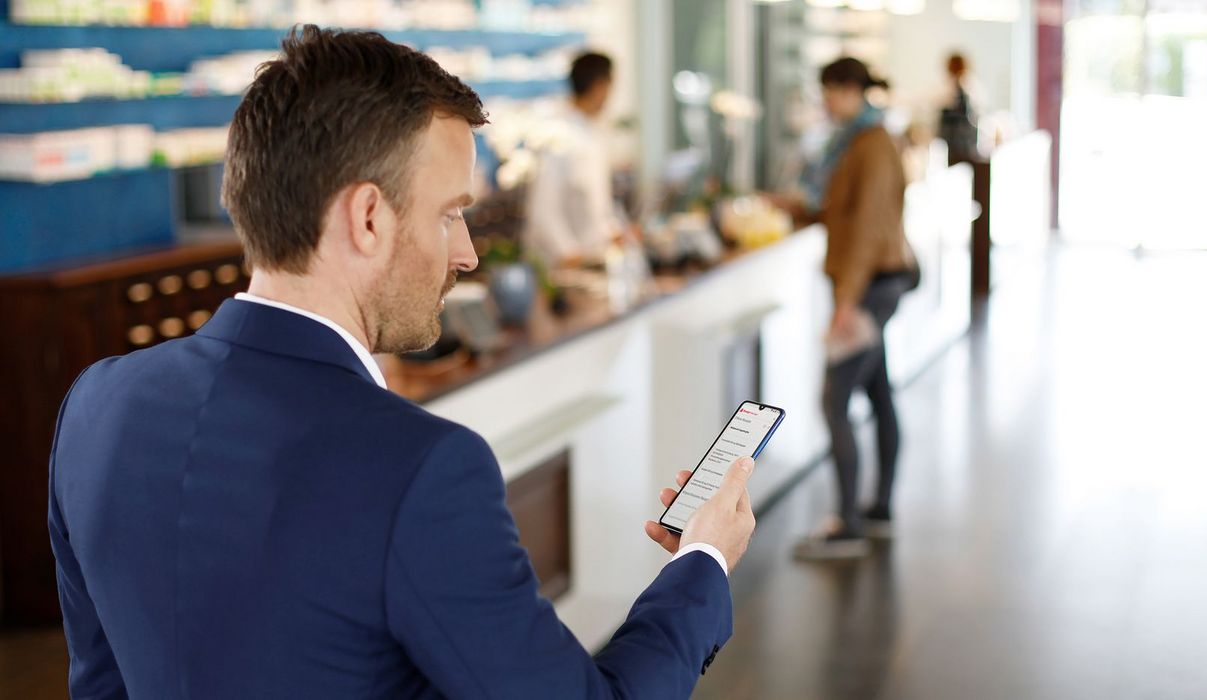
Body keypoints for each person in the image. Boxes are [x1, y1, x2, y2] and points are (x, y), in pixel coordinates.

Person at [48, 26, 757, 698]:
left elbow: (101, 683)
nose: (468, 252)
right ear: (367, 218)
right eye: (450, 213)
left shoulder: (98, 405)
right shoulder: (422, 470)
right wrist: (702, 559)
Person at [788, 58, 918, 561]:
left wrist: (845, 304)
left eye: (831, 92)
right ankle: (879, 508)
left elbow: (865, 230)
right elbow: (839, 207)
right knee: (878, 390)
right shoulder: (858, 141)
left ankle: (848, 524)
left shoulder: (871, 145)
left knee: (834, 398)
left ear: (849, 91)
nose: (826, 102)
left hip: (868, 289)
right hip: (874, 285)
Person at [524, 51, 626, 267]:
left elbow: (596, 204)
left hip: (591, 261)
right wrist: (568, 252)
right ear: (600, 86)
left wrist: (613, 231)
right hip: (563, 269)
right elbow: (543, 209)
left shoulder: (593, 133)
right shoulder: (558, 137)